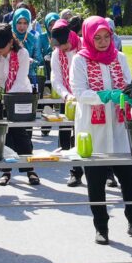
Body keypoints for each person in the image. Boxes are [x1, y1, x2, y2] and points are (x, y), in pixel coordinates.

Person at [70, 16, 132, 244]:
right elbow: (79, 92)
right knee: (95, 181)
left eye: (107, 37)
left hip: (118, 125)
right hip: (92, 130)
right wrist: (105, 96)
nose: (103, 42)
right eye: (98, 38)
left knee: (129, 179)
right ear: (88, 38)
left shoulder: (119, 57)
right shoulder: (80, 61)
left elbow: (127, 85)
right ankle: (101, 226)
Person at [0, 24, 40, 186]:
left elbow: (20, 78)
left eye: (2, 46)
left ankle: (29, 169)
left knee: (21, 134)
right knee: (5, 134)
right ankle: (6, 171)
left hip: (19, 96)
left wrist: (6, 97)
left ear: (11, 42)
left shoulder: (22, 54)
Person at [49, 19, 84, 186]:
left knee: (88, 134)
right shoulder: (57, 53)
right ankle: (75, 172)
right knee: (66, 137)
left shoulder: (84, 45)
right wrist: (66, 96)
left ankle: (107, 173)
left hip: (87, 100)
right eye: (59, 46)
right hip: (68, 100)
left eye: (65, 44)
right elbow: (56, 79)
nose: (63, 48)